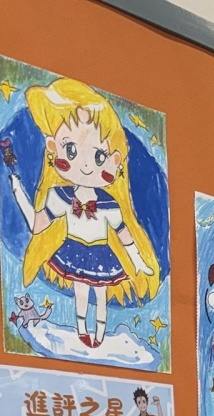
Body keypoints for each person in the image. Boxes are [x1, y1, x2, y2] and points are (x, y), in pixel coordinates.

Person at [9, 77, 159, 348]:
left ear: (114, 161)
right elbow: (37, 224)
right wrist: (19, 192)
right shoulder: (61, 197)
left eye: (99, 156)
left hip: (102, 252)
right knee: (81, 291)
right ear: (53, 148)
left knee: (100, 295)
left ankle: (99, 333)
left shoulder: (109, 203)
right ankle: (81, 330)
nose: (87, 165)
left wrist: (138, 262)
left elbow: (123, 233)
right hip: (75, 248)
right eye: (72, 150)